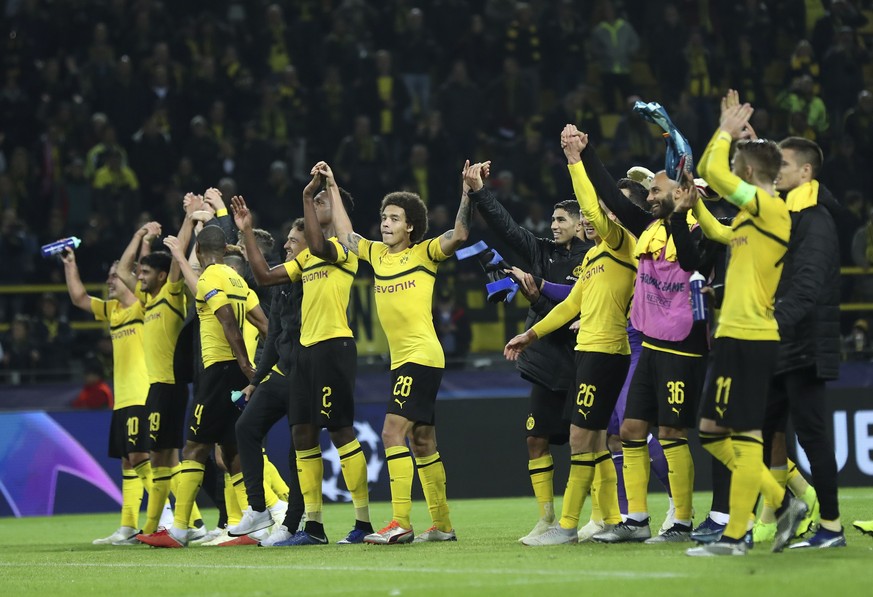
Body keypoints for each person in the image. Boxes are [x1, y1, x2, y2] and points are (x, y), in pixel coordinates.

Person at [324, 158, 473, 544]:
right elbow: (345, 233)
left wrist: (467, 193)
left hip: (420, 356)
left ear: (409, 226)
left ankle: (400, 522)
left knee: (392, 433)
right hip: (406, 360)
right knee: (422, 441)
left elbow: (458, 233)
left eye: (393, 218)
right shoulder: (374, 255)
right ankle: (442, 525)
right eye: (383, 217)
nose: (385, 223)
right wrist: (333, 185)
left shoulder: (424, 254)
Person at [505, 125, 637, 546]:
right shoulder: (596, 256)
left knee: (584, 436)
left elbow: (595, 213)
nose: (597, 221)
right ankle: (611, 519)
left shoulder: (621, 244)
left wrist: (576, 162)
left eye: (603, 214)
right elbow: (569, 306)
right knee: (594, 438)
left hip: (608, 350)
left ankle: (565, 527)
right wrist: (529, 335)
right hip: (590, 352)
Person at [686, 93, 805, 557]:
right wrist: (694, 205)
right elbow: (720, 233)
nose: (731, 169)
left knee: (744, 434)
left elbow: (713, 169)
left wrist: (723, 130)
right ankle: (782, 501)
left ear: (749, 173)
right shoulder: (750, 216)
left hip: (753, 337)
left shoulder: (768, 208)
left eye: (738, 163)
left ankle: (736, 537)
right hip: (734, 335)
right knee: (713, 431)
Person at [571, 161, 712, 544]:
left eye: (655, 192)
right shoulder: (647, 229)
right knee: (632, 430)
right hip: (649, 343)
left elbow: (690, 260)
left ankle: (681, 520)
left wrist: (683, 216)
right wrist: (583, 155)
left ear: (679, 195)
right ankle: (636, 519)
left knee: (671, 431)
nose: (648, 198)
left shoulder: (700, 232)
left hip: (683, 345)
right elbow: (612, 197)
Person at [234, 172, 373, 547]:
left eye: (323, 201)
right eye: (315, 202)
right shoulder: (308, 256)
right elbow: (263, 277)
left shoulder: (345, 248)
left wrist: (307, 193)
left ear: (337, 209)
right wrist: (247, 232)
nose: (316, 204)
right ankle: (312, 527)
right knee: (302, 435)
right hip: (305, 354)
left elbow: (315, 238)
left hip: (333, 348)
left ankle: (363, 522)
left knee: (341, 431)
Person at [466, 156, 593, 542]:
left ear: (581, 224)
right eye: (552, 220)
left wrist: (538, 299)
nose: (553, 226)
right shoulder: (542, 251)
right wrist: (479, 192)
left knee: (587, 439)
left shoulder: (594, 256)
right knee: (536, 438)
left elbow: (583, 306)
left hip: (583, 358)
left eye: (561, 221)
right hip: (545, 361)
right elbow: (506, 229)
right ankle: (547, 518)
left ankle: (602, 516)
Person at [137, 225, 268, 548]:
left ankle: (180, 527)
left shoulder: (210, 277)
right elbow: (264, 324)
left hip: (219, 371)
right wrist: (261, 366)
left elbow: (226, 321)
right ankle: (254, 520)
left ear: (200, 252)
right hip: (235, 374)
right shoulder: (239, 279)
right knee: (231, 449)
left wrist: (243, 363)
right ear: (224, 250)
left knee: (194, 447)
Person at [756, 136, 843, 549]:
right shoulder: (790, 215)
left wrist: (770, 326)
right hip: (783, 343)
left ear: (806, 171)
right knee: (759, 431)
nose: (778, 171)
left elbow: (806, 289)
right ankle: (788, 507)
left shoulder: (816, 219)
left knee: (812, 436)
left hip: (804, 344)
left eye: (785, 165)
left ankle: (831, 527)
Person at [115, 212, 203, 539]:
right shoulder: (146, 303)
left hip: (169, 386)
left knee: (160, 457)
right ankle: (176, 525)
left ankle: (167, 525)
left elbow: (178, 257)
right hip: (156, 388)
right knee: (163, 458)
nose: (139, 277)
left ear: (163, 276)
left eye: (147, 272)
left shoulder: (170, 295)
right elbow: (124, 270)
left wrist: (189, 219)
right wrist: (142, 236)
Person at [222, 219, 308, 546]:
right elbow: (273, 334)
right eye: (286, 240)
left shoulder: (314, 275)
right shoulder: (283, 282)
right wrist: (256, 380)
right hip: (282, 372)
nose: (287, 245)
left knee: (298, 448)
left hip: (308, 372)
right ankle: (258, 507)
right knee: (245, 427)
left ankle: (295, 522)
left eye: (293, 241)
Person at [61, 251, 152, 545]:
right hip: (122, 398)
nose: (109, 281)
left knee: (141, 456)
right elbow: (78, 298)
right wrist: (71, 263)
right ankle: (128, 526)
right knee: (127, 460)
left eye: (115, 275)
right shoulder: (113, 310)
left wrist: (144, 242)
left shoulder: (142, 306)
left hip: (143, 393)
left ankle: (167, 513)